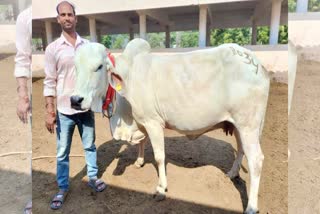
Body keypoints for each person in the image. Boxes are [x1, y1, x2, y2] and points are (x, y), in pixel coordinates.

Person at [43, 1, 106, 210]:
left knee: (89, 145)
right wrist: (49, 110)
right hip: (64, 109)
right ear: (58, 19)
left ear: (76, 18)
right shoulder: (53, 49)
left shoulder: (88, 47)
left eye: (70, 14)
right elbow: (49, 80)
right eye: (63, 15)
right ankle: (62, 187)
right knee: (62, 151)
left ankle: (93, 177)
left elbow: (97, 74)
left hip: (85, 108)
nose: (67, 18)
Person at [14, 5, 32, 214]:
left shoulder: (66, 13)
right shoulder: (25, 17)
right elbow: (22, 58)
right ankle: (34, 196)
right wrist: (22, 96)